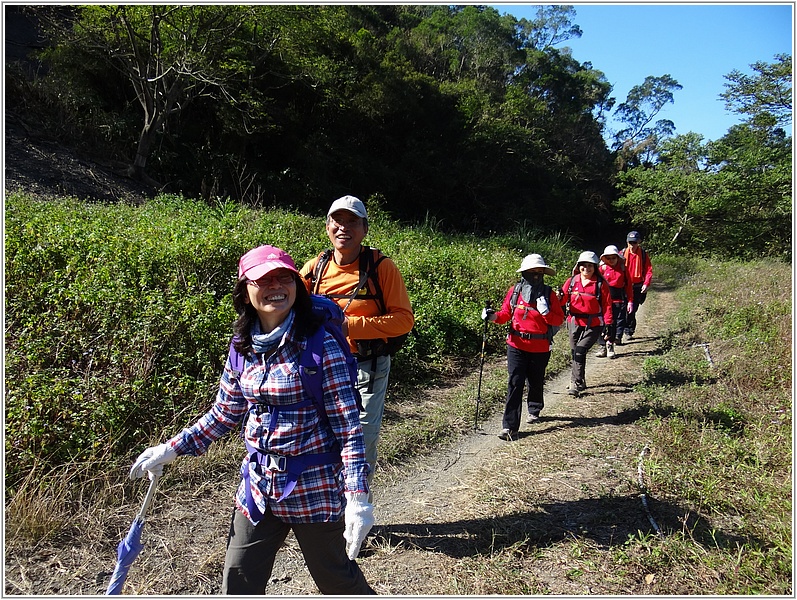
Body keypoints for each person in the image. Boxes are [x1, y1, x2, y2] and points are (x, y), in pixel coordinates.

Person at [129, 244, 376, 595]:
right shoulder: (242, 345)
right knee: (239, 575)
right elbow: (225, 412)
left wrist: (357, 498)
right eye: (263, 279)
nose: (275, 286)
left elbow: (349, 429)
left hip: (314, 488)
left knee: (336, 579)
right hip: (259, 486)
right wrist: (171, 449)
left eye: (283, 278)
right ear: (245, 292)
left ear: (296, 285)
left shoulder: (321, 346)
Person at [300, 195, 414, 498]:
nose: (343, 228)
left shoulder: (381, 267)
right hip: (321, 369)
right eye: (337, 221)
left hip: (367, 368)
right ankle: (332, 511)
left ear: (364, 229)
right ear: (327, 227)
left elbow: (404, 320)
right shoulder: (315, 268)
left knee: (359, 441)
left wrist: (350, 326)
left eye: (352, 222)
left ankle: (358, 514)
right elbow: (291, 310)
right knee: (323, 439)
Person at [483, 254, 565, 441]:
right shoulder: (515, 291)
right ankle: (510, 427)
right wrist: (492, 316)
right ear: (524, 273)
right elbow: (505, 314)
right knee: (515, 382)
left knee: (535, 381)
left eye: (539, 271)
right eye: (531, 272)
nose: (536, 275)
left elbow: (559, 320)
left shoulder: (549, 294)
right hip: (516, 345)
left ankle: (535, 407)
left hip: (540, 347)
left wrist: (545, 313)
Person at [560, 251, 613, 396]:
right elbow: (562, 300)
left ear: (595, 267)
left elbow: (607, 305)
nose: (586, 269)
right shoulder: (571, 281)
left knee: (580, 350)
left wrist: (608, 325)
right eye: (583, 265)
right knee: (575, 352)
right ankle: (580, 379)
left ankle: (575, 383)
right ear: (578, 266)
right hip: (574, 322)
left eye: (590, 266)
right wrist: (557, 297)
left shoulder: (600, 284)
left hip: (594, 323)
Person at [595, 245, 634, 359]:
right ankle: (602, 346)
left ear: (617, 258)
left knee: (613, 323)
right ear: (605, 259)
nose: (611, 260)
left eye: (613, 258)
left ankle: (610, 344)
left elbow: (628, 287)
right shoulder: (601, 270)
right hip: (603, 301)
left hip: (618, 300)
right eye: (609, 258)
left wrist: (630, 301)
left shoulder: (623, 269)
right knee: (601, 323)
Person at [619, 231, 653, 341]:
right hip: (624, 286)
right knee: (623, 309)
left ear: (638, 242)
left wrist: (646, 283)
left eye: (634, 242)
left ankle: (629, 330)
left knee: (633, 309)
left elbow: (648, 270)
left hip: (637, 286)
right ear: (627, 242)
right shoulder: (622, 253)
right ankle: (622, 330)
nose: (632, 245)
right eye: (630, 242)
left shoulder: (643, 254)